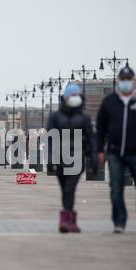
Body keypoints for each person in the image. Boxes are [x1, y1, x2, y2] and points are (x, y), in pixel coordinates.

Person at [96, 66, 136, 234]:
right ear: (119, 81)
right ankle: (119, 221)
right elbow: (100, 127)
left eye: (128, 80)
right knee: (116, 188)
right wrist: (99, 150)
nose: (125, 83)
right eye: (122, 80)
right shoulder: (109, 101)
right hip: (115, 152)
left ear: (134, 81)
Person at [48, 84, 98, 233]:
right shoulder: (55, 117)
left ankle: (65, 220)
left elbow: (92, 139)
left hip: (77, 159)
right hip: (60, 159)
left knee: (70, 189)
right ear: (65, 98)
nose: (75, 98)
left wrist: (94, 158)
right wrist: (50, 160)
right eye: (72, 95)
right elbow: (50, 139)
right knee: (65, 191)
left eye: (77, 95)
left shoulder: (84, 117)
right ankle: (71, 220)